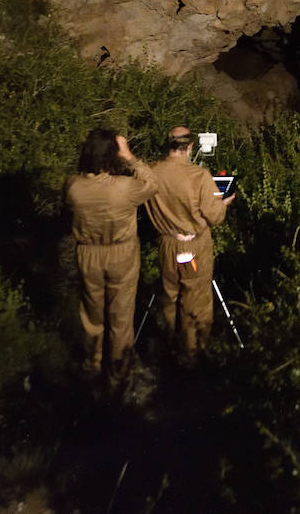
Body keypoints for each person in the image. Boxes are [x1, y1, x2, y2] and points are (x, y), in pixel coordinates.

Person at [65, 128, 156, 386]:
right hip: (122, 254)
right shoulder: (125, 188)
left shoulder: (74, 187)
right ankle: (119, 371)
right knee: (121, 317)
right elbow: (152, 184)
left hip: (88, 253)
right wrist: (131, 158)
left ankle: (92, 364)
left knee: (92, 316)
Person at [142, 125, 236, 364]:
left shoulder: (152, 172)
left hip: (167, 246)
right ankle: (193, 354)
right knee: (195, 297)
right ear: (190, 146)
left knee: (170, 295)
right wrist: (223, 203)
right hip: (193, 248)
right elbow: (215, 216)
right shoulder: (199, 176)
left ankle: (170, 346)